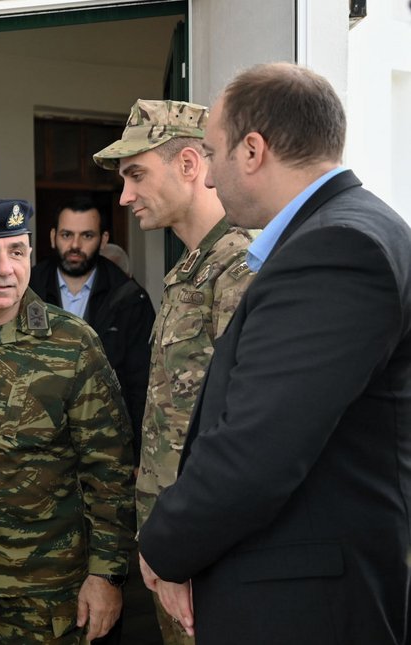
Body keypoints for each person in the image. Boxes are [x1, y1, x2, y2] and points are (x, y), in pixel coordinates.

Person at [138, 62, 411, 645]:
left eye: (212, 154)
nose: (210, 178)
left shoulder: (335, 247)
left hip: (305, 601)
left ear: (253, 150)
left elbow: (257, 448)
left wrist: (164, 547)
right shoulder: (347, 230)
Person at [0, 198, 136, 644]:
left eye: (17, 252)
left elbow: (109, 469)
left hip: (47, 588)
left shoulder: (73, 343)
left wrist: (107, 574)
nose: (5, 268)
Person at [92, 98, 255, 645]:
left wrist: (188, 548)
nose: (125, 196)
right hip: (175, 545)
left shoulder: (240, 265)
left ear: (188, 164)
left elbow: (242, 431)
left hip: (209, 553)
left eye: (136, 174)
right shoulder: (191, 268)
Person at [29, 198, 155, 463]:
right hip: (37, 442)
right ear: (52, 237)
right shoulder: (27, 290)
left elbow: (141, 382)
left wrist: (139, 454)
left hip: (107, 445)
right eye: (67, 235)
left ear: (103, 239)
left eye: (87, 235)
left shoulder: (129, 298)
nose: (75, 245)